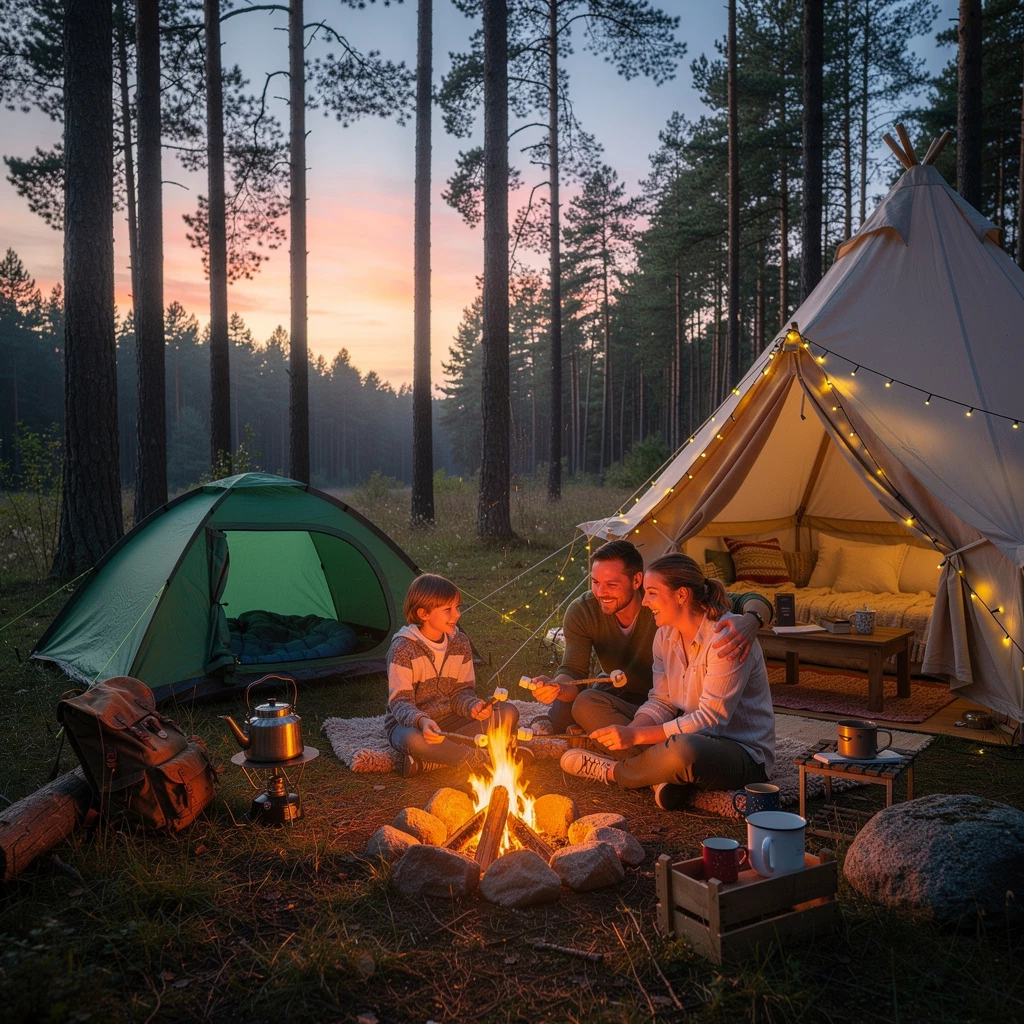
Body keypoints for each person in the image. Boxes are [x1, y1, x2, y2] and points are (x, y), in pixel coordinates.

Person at [558, 553, 775, 811]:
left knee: (683, 750)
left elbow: (710, 721)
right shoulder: (665, 635)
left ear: (682, 595)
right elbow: (661, 701)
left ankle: (614, 771)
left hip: (740, 751)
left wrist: (636, 735)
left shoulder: (726, 638)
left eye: (651, 593)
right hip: (685, 730)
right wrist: (632, 732)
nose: (646, 601)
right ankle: (659, 777)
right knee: (587, 702)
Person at [529, 539, 773, 734]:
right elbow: (572, 671)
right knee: (570, 706)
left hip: (669, 702)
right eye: (595, 582)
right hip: (627, 698)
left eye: (611, 585)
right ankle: (643, 753)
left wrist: (752, 621)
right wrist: (557, 686)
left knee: (683, 731)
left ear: (637, 580)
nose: (601, 592)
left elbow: (747, 600)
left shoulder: (661, 599)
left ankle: (636, 753)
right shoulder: (583, 610)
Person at [385, 573, 518, 777]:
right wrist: (421, 721)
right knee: (414, 741)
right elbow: (400, 702)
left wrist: (472, 707)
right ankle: (478, 759)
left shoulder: (460, 643)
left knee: (508, 712)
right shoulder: (402, 649)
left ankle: (433, 762)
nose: (456, 615)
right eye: (447, 609)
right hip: (412, 726)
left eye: (457, 607)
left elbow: (462, 692)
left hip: (451, 721)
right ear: (423, 614)